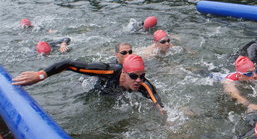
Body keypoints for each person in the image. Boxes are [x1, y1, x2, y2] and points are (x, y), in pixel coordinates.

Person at [11, 54, 165, 112]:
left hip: (117, 95)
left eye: (142, 76)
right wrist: (40, 75)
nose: (138, 81)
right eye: (134, 76)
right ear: (124, 73)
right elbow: (68, 63)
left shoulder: (143, 84)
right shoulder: (108, 71)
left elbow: (158, 103)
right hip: (97, 90)